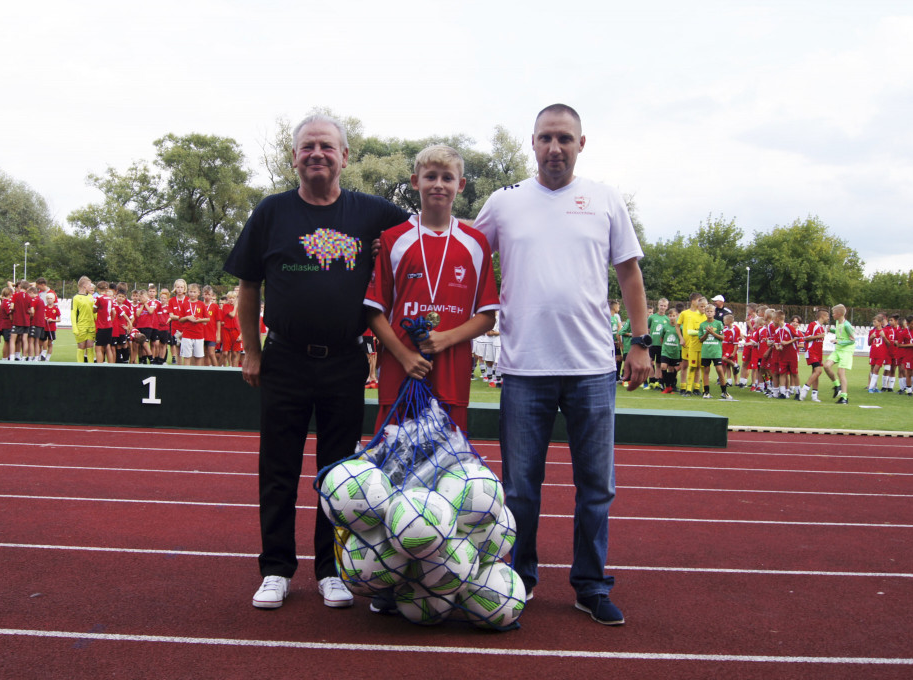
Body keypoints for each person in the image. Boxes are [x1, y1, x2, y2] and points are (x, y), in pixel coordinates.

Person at [224, 113, 410, 610]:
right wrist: (252, 350)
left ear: (345, 156)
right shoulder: (271, 213)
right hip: (283, 359)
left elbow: (422, 245)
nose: (317, 155)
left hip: (344, 363)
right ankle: (276, 569)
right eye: (307, 147)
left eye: (327, 147)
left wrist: (389, 248)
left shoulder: (376, 214)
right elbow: (247, 288)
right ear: (294, 157)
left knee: (340, 473)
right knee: (278, 469)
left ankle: (331, 568)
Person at [473, 103, 649, 626]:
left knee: (597, 486)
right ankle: (519, 577)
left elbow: (631, 277)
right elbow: (463, 254)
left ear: (581, 143)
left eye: (565, 139)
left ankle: (590, 584)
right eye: (546, 138)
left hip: (592, 366)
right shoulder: (504, 203)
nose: (555, 147)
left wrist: (639, 343)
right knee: (521, 488)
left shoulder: (605, 198)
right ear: (532, 143)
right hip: (525, 367)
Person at [364, 144, 499, 433]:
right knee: (394, 466)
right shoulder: (392, 239)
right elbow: (374, 312)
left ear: (460, 185)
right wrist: (404, 355)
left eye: (447, 178)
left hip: (450, 377)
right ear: (416, 182)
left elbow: (487, 316)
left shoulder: (476, 244)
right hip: (401, 373)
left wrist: (446, 338)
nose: (439, 184)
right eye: (431, 176)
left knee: (447, 470)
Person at [822, 304, 856, 404]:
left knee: (841, 373)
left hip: (846, 351)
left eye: (833, 313)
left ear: (839, 314)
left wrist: (839, 342)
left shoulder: (847, 325)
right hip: (838, 350)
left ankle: (844, 398)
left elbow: (852, 340)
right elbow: (839, 333)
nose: (832, 315)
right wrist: (831, 330)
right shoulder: (837, 322)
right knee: (826, 366)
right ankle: (837, 385)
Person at [698, 304, 732, 400]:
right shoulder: (702, 324)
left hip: (716, 351)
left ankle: (724, 391)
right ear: (705, 312)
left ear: (714, 313)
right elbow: (700, 339)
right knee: (706, 371)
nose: (709, 313)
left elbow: (722, 337)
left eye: (711, 311)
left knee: (719, 370)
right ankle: (706, 392)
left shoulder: (718, 323)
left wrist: (712, 333)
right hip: (706, 352)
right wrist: (707, 333)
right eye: (707, 311)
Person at [676, 293, 707, 396]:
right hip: (686, 343)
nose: (700, 302)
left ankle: (696, 387)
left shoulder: (703, 314)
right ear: (693, 301)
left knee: (698, 366)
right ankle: (683, 387)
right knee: (684, 365)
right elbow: (677, 326)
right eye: (698, 300)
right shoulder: (685, 313)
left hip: (698, 344)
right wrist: (681, 338)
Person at [798, 309, 828, 402]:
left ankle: (814, 395)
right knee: (818, 371)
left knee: (815, 373)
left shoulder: (822, 328)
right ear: (822, 316)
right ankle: (805, 389)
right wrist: (818, 336)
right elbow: (806, 337)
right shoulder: (813, 325)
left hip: (818, 353)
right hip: (811, 351)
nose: (828, 318)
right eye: (827, 316)